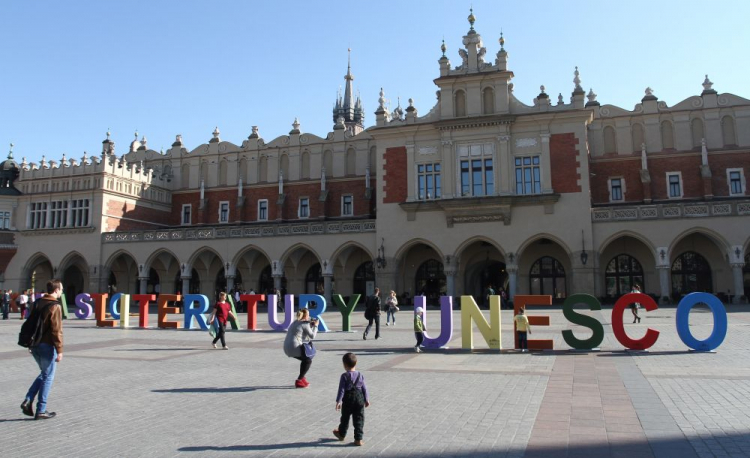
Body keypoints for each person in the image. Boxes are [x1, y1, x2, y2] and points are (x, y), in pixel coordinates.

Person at [21, 279, 64, 420]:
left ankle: (28, 399)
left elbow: (30, 323)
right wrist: (60, 350)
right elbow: (56, 330)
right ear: (56, 290)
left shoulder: (37, 302)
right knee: (48, 376)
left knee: (45, 373)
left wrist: (29, 343)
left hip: (34, 344)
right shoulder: (55, 306)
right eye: (61, 289)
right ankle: (41, 409)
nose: (62, 291)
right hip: (46, 345)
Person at [332, 352, 370, 446]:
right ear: (356, 363)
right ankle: (358, 439)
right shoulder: (360, 375)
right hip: (359, 398)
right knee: (359, 419)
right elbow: (364, 388)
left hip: (348, 399)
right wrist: (367, 399)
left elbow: (341, 390)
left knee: (345, 417)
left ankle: (341, 433)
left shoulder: (344, 376)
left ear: (344, 365)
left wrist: (339, 401)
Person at [283, 308, 318, 388]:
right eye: (308, 315)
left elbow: (301, 329)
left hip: (286, 348)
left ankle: (302, 378)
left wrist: (310, 325)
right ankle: (299, 380)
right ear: (306, 316)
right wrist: (315, 326)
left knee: (305, 359)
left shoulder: (295, 322)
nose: (309, 317)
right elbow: (312, 336)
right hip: (294, 347)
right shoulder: (304, 324)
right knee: (308, 360)